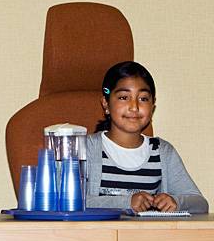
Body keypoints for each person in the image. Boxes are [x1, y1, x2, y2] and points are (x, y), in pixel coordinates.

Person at [86, 61, 208, 213]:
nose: (134, 107)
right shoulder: (85, 149)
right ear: (106, 103)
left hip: (148, 236)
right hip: (96, 236)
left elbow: (200, 203)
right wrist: (126, 202)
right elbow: (67, 203)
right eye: (124, 97)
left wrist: (176, 202)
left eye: (143, 99)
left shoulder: (162, 151)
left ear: (153, 106)